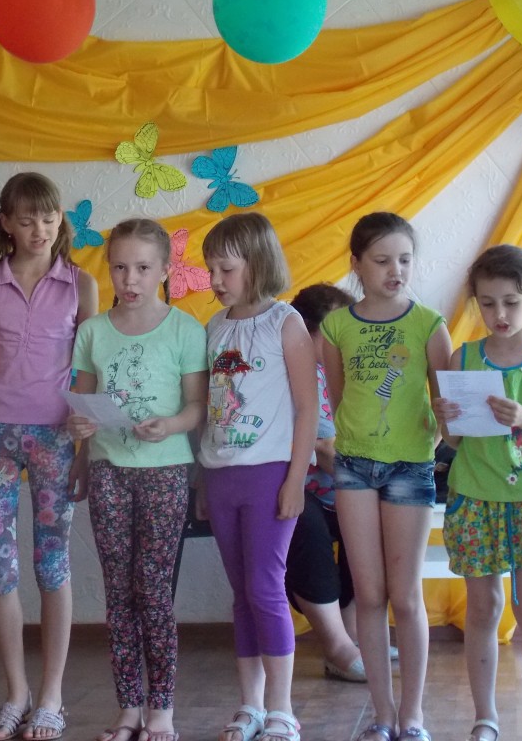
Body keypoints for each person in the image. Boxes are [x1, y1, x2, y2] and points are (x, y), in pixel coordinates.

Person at [0, 172, 98, 741]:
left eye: (49, 218)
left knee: (52, 565)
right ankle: (16, 693)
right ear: (6, 223)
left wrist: (85, 449)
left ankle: (51, 696)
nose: (40, 229)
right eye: (27, 219)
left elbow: (88, 372)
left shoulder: (81, 284)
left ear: (61, 222)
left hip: (56, 438)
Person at [67, 218, 207, 741]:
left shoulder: (186, 330)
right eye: (121, 268)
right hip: (108, 472)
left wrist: (169, 425)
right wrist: (80, 434)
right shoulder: (92, 331)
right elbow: (82, 404)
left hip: (165, 472)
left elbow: (196, 408)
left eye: (143, 268)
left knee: (153, 587)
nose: (130, 279)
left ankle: (161, 706)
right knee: (118, 589)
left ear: (165, 270)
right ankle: (128, 706)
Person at [433, 245, 522, 741]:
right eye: (488, 303)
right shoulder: (464, 357)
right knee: (482, 608)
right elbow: (455, 443)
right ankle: (485, 717)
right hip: (474, 496)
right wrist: (446, 420)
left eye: (511, 302)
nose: (499, 314)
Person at [320, 212, 451, 741]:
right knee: (369, 595)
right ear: (356, 264)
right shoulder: (336, 327)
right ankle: (382, 713)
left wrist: (423, 446)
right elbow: (338, 397)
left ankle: (412, 715)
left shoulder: (429, 324)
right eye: (381, 261)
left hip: (409, 471)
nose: (396, 271)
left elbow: (447, 408)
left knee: (405, 595)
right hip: (353, 468)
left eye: (404, 260)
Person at [198, 212, 318, 741]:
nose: (215, 280)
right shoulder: (214, 327)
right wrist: (202, 481)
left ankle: (281, 708)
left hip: (270, 475)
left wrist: (295, 479)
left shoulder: (285, 323)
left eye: (225, 269)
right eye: (211, 269)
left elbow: (308, 408)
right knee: (242, 592)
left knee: (266, 588)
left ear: (258, 263)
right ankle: (250, 704)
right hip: (221, 475)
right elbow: (207, 409)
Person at [284, 282, 370, 681]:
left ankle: (355, 636)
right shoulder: (292, 372)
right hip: (299, 489)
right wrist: (326, 451)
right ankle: (336, 645)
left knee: (367, 517)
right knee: (305, 525)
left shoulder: (354, 371)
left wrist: (330, 452)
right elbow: (317, 448)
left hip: (345, 486)